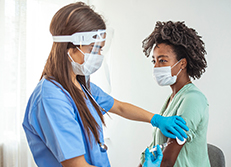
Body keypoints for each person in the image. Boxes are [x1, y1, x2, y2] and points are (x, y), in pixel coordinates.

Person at [22, 2, 189, 167]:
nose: (99, 55)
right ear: (70, 48)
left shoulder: (80, 86)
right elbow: (78, 165)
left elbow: (120, 107)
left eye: (101, 49)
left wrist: (157, 120)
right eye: (94, 50)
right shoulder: (51, 98)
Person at [139, 21, 210, 167]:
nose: (156, 67)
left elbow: (166, 161)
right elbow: (153, 150)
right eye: (154, 61)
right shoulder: (172, 99)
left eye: (162, 61)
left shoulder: (193, 99)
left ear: (182, 64)